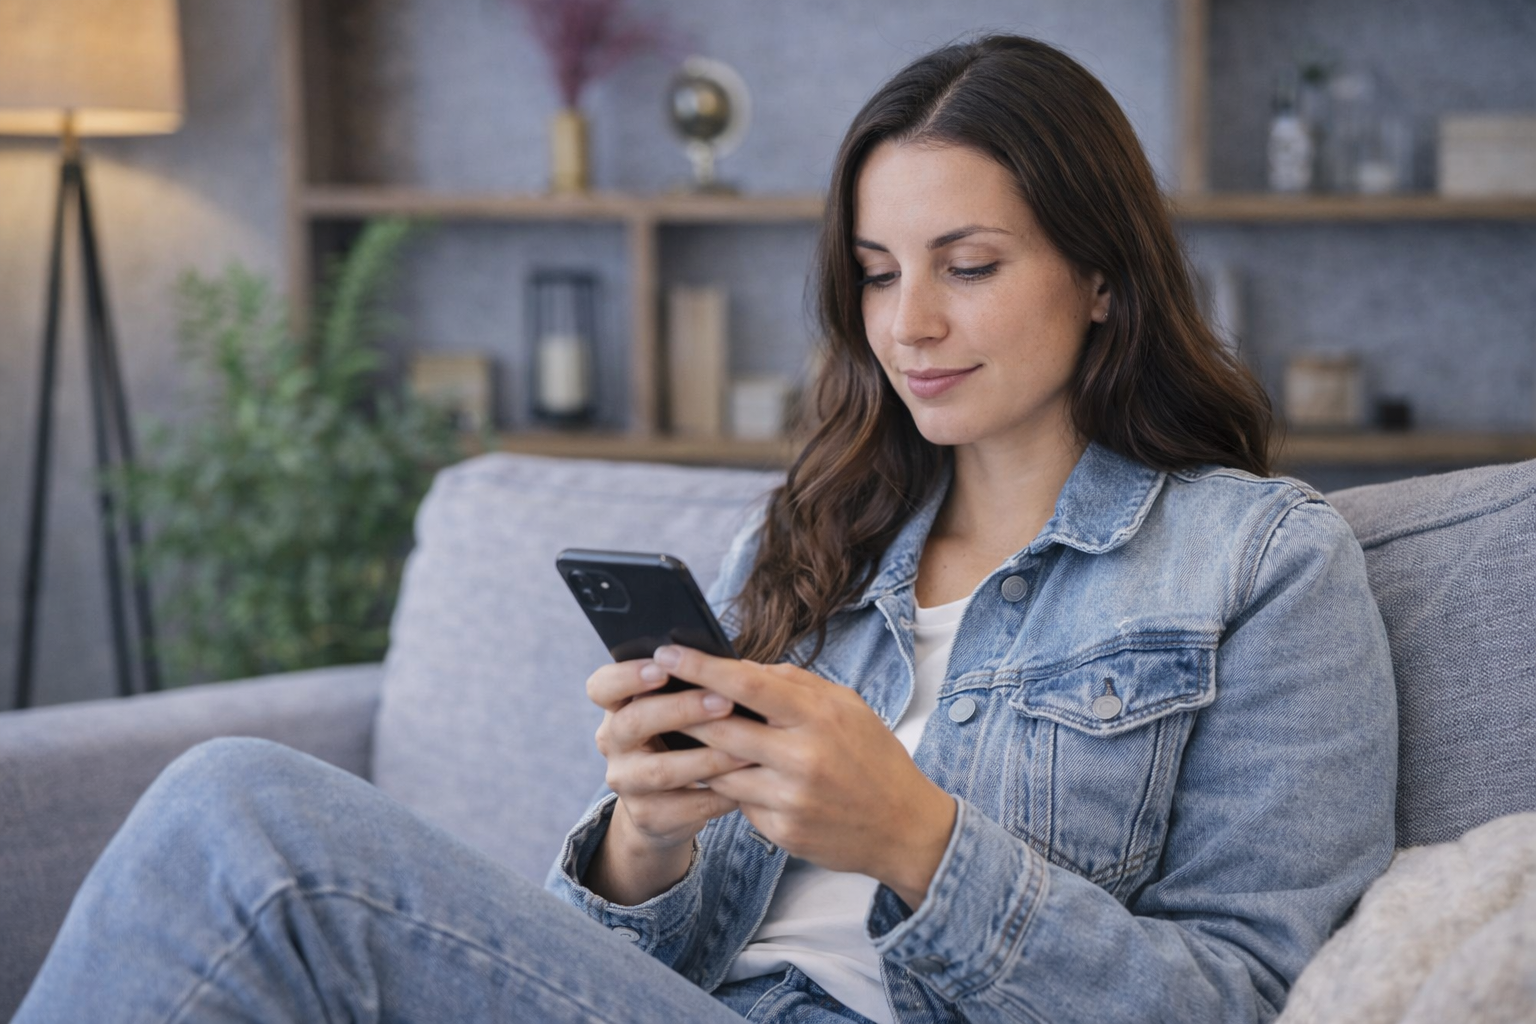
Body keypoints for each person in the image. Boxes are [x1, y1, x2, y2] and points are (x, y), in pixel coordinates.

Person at [13, 32, 1396, 1024]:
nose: (908, 324)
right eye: (875, 274)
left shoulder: (1261, 564)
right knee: (230, 820)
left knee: (244, 816)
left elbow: (1250, 996)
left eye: (969, 267)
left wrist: (917, 840)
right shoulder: (811, 541)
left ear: (1102, 274)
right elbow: (605, 963)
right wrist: (644, 842)